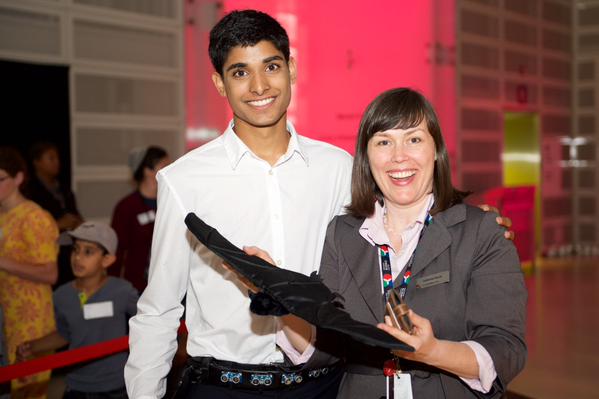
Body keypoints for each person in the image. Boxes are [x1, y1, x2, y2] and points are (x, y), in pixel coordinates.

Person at [125, 10, 353, 399]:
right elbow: (160, 308)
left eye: (271, 66)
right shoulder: (184, 179)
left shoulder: (337, 168)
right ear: (219, 82)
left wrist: (473, 223)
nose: (259, 85)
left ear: (291, 69)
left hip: (323, 385)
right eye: (240, 72)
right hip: (224, 387)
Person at [310, 88, 527, 398]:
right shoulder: (342, 234)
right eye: (384, 142)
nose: (399, 156)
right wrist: (280, 297)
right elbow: (327, 343)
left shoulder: (481, 233)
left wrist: (433, 351)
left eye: (414, 139)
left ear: (435, 150)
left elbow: (506, 349)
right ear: (366, 156)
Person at [17, 221, 139, 399]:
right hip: (76, 386)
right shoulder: (61, 295)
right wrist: (32, 347)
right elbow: (65, 334)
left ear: (107, 259)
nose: (78, 257)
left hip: (116, 387)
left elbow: (147, 322)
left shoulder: (122, 291)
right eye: (75, 249)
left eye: (88, 251)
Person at [0, 146, 59, 398]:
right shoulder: (2, 215)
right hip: (5, 314)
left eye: (0, 178)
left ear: (19, 179)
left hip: (30, 319)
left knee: (28, 391)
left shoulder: (35, 217)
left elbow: (50, 274)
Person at [110, 146, 170, 292]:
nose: (171, 170)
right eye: (165, 165)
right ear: (147, 170)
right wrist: (113, 288)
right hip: (136, 287)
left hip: (167, 285)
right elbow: (116, 251)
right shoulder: (127, 207)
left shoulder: (170, 203)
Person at [25, 141, 84, 288]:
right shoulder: (29, 191)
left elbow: (76, 214)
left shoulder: (64, 188)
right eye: (51, 158)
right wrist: (58, 224)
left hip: (69, 251)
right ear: (37, 162)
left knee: (74, 292)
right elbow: (28, 228)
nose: (56, 163)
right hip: (46, 255)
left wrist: (78, 222)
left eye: (57, 158)